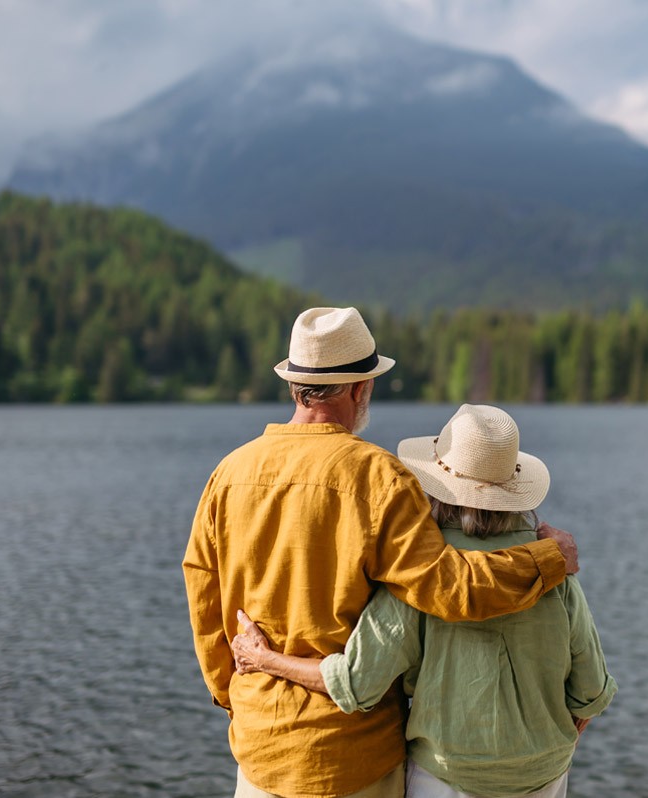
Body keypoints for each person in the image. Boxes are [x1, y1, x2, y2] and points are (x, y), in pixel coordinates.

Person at [183, 308, 579, 798]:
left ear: (295, 385)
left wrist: (237, 697)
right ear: (359, 388)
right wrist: (546, 559)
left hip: (259, 750)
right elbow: (450, 588)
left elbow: (204, 597)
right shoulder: (379, 477)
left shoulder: (229, 473)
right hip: (354, 757)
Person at [232, 404, 616, 798]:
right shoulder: (553, 570)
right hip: (545, 776)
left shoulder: (423, 573)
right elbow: (590, 692)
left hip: (449, 778)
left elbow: (356, 684)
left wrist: (266, 660)